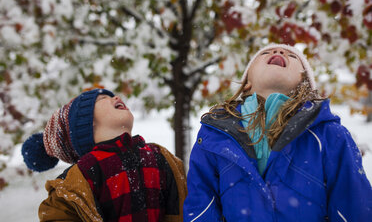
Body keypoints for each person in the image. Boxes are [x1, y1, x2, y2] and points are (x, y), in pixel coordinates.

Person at [183, 44, 372, 221]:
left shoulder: (330, 135)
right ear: (247, 83)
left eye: (291, 55)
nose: (279, 52)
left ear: (304, 83)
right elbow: (201, 206)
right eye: (265, 53)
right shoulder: (214, 134)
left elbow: (354, 206)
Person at [22, 88, 187, 222]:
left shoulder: (161, 157)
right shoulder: (79, 177)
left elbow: (184, 208)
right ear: (87, 122)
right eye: (102, 99)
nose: (115, 97)